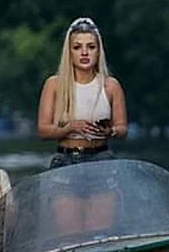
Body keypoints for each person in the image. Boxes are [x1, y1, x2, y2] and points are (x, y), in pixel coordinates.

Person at [36, 17, 128, 169]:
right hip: (66, 158)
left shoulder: (111, 85)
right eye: (77, 47)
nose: (84, 53)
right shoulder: (54, 85)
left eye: (91, 47)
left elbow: (122, 129)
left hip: (101, 157)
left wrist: (109, 131)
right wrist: (70, 128)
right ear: (69, 52)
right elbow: (43, 131)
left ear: (98, 51)